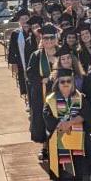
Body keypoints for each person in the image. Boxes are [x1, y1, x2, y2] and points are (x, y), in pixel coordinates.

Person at [42, 68, 91, 181]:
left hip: (76, 138)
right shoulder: (51, 99)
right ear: (57, 82)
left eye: (68, 81)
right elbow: (47, 117)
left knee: (77, 165)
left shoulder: (80, 97)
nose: (65, 83)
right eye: (62, 81)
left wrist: (70, 122)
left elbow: (87, 114)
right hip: (58, 138)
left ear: (73, 82)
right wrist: (60, 124)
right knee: (61, 167)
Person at [26, 24, 59, 158]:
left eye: (52, 38)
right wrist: (42, 80)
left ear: (56, 38)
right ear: (42, 39)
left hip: (61, 93)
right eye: (46, 38)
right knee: (43, 119)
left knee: (59, 118)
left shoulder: (63, 53)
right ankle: (45, 147)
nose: (49, 41)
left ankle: (60, 146)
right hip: (42, 94)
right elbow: (30, 74)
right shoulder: (37, 55)